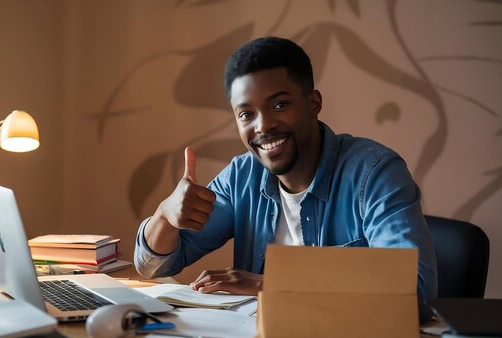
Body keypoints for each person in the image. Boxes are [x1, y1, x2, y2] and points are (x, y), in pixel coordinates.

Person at [133, 36, 437, 320]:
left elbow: (415, 294)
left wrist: (273, 283)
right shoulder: (242, 176)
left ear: (313, 103)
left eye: (279, 105)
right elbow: (155, 266)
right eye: (246, 114)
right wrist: (165, 214)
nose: (263, 125)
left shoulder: (375, 174)